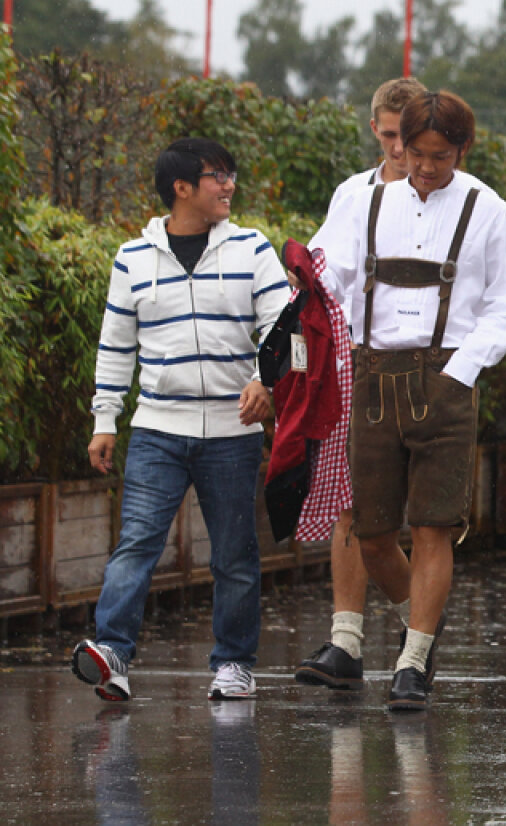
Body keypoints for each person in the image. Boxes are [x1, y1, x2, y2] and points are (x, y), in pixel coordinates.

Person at [311, 90, 506, 711]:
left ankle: (412, 662)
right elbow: (325, 276)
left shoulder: (492, 213)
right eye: (416, 154)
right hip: (372, 375)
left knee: (436, 527)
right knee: (372, 532)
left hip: (446, 378)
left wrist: (462, 370)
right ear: (399, 146)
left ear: (462, 150)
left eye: (440, 156)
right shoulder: (363, 205)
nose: (427, 167)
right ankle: (423, 622)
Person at [72, 138, 289, 702]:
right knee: (137, 543)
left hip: (231, 432)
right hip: (156, 429)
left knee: (234, 553)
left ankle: (234, 664)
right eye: (219, 176)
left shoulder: (252, 250)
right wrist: (104, 420)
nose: (230, 186)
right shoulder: (133, 258)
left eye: (231, 175)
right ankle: (113, 652)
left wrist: (265, 382)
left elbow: (282, 326)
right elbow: (116, 345)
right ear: (181, 188)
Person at [293, 76, 429, 692]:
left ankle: (421, 630)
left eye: (413, 137)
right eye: (393, 136)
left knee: (422, 521)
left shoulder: (451, 197)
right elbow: (319, 283)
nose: (403, 150)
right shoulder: (353, 193)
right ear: (376, 129)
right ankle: (347, 640)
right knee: (351, 504)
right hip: (358, 365)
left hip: (429, 369)